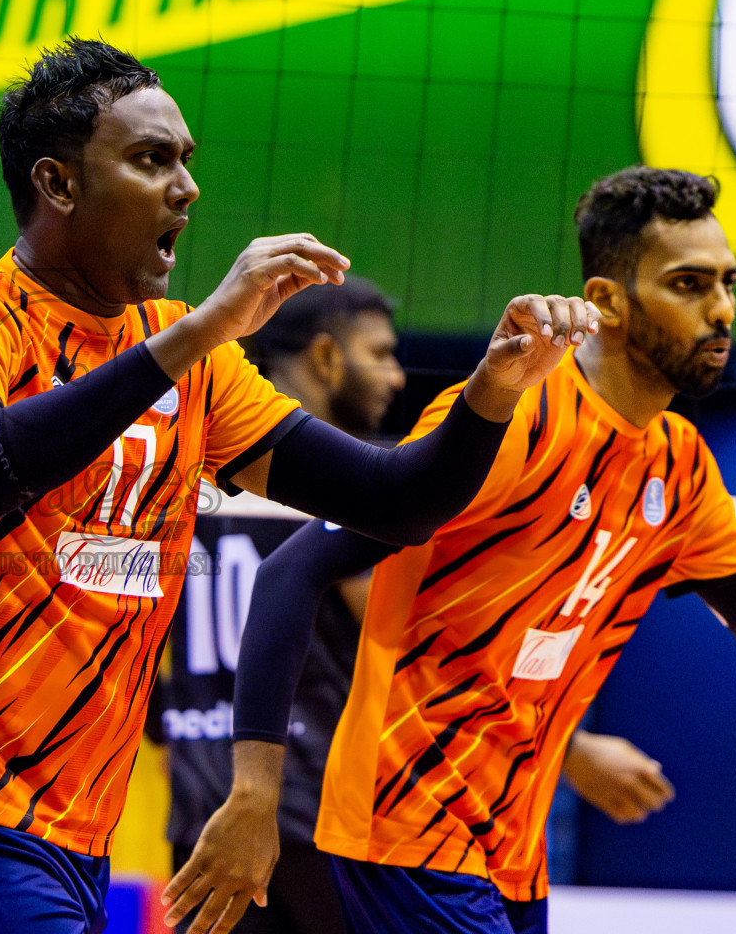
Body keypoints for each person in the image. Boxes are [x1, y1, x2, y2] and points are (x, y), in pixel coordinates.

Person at [0, 36, 600, 934]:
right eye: (151, 160)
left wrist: (493, 391)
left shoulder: (191, 364)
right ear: (60, 185)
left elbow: (395, 502)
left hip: (81, 827)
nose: (187, 188)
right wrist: (194, 335)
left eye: (186, 162)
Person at [165, 166, 736, 934]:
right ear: (608, 302)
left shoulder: (678, 465)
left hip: (513, 848)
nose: (720, 311)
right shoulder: (518, 418)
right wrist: (251, 793)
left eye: (728, 284)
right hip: (404, 823)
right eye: (688, 285)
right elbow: (294, 568)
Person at [154, 280, 672, 934]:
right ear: (325, 358)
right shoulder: (356, 489)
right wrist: (576, 750)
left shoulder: (198, 478)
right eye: (380, 354)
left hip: (207, 805)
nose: (397, 376)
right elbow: (441, 646)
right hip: (316, 814)